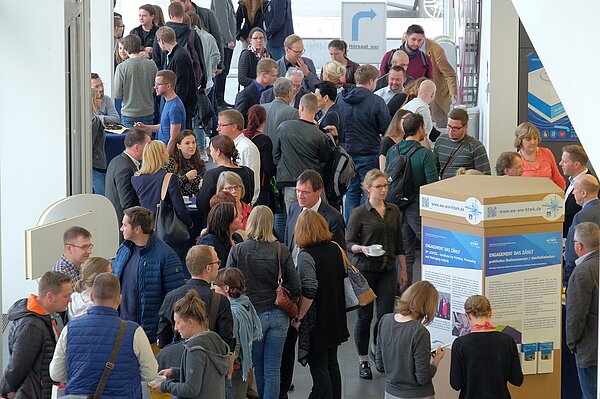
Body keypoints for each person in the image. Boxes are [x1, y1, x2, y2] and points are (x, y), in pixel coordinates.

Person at [227, 206, 301, 399]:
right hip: (279, 315)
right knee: (273, 368)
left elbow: (226, 281)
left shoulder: (238, 250)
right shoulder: (281, 249)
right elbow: (296, 286)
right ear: (270, 224)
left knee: (257, 364)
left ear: (250, 221)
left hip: (252, 316)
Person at [49, 273, 158, 397]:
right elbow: (150, 374)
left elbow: (56, 374)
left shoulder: (69, 329)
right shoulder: (134, 331)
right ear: (119, 299)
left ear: (91, 296)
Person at [346, 169, 407, 379]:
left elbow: (400, 242)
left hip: (387, 270)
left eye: (386, 186)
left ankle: (379, 353)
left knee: (385, 318)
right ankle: (363, 360)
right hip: (365, 272)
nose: (384, 190)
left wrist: (403, 269)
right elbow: (349, 243)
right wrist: (362, 249)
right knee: (364, 318)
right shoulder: (360, 213)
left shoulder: (394, 211)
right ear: (368, 188)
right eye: (379, 186)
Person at [291, 210, 349, 399]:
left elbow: (310, 290)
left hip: (318, 319)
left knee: (319, 367)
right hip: (337, 314)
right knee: (332, 363)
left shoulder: (305, 256)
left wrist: (298, 316)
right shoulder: (335, 248)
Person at [112, 206, 185, 346]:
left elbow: (177, 300)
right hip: (122, 330)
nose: (121, 229)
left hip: (149, 337)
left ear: (137, 229)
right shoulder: (124, 249)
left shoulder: (166, 256)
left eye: (124, 225)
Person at [0, 272, 72, 399]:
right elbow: (17, 366)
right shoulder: (32, 326)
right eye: (66, 296)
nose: (70, 299)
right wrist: (5, 391)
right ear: (50, 296)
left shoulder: (47, 318)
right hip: (32, 393)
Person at [386, 113, 438, 288]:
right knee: (433, 247)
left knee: (404, 252)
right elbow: (433, 186)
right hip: (418, 209)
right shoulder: (425, 154)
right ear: (421, 129)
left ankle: (403, 290)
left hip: (397, 207)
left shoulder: (393, 151)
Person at [336, 64, 391, 222]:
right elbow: (386, 128)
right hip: (369, 153)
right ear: (372, 81)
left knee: (351, 192)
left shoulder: (341, 98)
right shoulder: (376, 101)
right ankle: (365, 228)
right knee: (368, 191)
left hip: (346, 154)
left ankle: (350, 231)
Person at [151, 290, 231, 399]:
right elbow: (203, 373)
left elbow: (191, 389)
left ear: (190, 322)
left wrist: (165, 386)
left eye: (178, 322)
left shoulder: (195, 349)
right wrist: (174, 372)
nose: (175, 328)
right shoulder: (213, 339)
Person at [158, 245, 235, 353]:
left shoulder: (171, 297)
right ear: (208, 268)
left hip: (177, 360)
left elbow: (163, 335)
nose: (218, 266)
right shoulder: (220, 301)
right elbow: (226, 340)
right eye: (217, 263)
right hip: (209, 361)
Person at [375, 280, 445, 399]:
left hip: (390, 392)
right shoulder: (419, 332)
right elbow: (423, 378)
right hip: (418, 395)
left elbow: (380, 365)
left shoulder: (384, 320)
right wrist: (437, 359)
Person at [450, 295, 523, 398]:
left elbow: (456, 384)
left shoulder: (460, 343)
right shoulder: (507, 341)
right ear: (490, 312)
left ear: (468, 316)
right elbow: (517, 380)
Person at [273, 93, 333, 210]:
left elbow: (275, 155)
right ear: (316, 110)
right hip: (313, 185)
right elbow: (326, 159)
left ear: (300, 107)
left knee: (293, 219)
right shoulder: (320, 135)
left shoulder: (284, 127)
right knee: (314, 221)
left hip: (290, 183)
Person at [214, 268, 263, 399]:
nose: (214, 289)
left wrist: (228, 365)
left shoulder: (233, 312)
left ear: (226, 288)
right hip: (244, 364)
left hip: (235, 367)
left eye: (216, 286)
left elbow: (236, 344)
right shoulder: (245, 303)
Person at [566, 222, 600, 399]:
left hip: (590, 351)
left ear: (579, 246)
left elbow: (576, 315)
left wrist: (573, 343)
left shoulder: (583, 272)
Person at [131, 140, 192, 237]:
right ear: (160, 155)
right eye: (165, 151)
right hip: (165, 229)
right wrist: (190, 224)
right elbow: (179, 207)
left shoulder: (135, 178)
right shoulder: (169, 178)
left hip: (145, 227)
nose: (167, 153)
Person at [105, 127, 151, 229]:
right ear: (137, 147)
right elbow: (127, 203)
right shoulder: (126, 169)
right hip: (125, 226)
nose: (149, 149)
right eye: (147, 146)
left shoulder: (117, 160)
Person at [156, 22, 199, 130]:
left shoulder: (179, 57)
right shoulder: (176, 54)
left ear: (161, 41)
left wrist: (173, 105)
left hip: (181, 107)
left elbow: (182, 85)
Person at [197, 135, 255, 215]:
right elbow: (249, 198)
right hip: (243, 218)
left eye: (211, 150)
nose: (210, 153)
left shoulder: (211, 175)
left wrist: (201, 188)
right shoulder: (248, 172)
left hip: (219, 220)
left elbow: (202, 205)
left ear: (218, 151)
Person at [135, 70, 186, 153]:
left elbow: (174, 138)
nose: (155, 87)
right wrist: (145, 127)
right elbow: (164, 127)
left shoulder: (175, 108)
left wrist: (166, 158)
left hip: (167, 153)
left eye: (158, 84)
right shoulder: (168, 102)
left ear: (169, 86)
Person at [218, 109, 261, 205]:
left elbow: (253, 182)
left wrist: (245, 207)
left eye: (222, 125)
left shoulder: (246, 148)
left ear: (234, 126)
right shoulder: (233, 146)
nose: (218, 129)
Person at [114, 34, 158, 128]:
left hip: (129, 112)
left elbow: (117, 93)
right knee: (147, 141)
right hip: (148, 110)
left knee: (130, 141)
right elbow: (156, 87)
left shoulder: (121, 67)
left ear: (126, 48)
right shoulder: (151, 64)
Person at [434, 108, 491, 179]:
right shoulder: (440, 141)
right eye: (449, 126)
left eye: (455, 128)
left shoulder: (475, 146)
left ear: (465, 127)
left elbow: (485, 176)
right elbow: (434, 170)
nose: (451, 131)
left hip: (465, 187)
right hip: (443, 186)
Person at [564, 175, 600, 282]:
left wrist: (567, 274)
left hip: (583, 274)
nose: (573, 193)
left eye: (575, 189)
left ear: (584, 193)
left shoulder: (582, 216)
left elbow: (573, 251)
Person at [514, 122, 565, 188]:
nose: (533, 142)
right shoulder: (516, 159)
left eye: (535, 138)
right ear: (520, 141)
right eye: (528, 139)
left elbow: (557, 178)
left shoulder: (547, 152)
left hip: (548, 196)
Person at [243, 104, 275, 207]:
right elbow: (268, 167)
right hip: (261, 185)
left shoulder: (243, 136)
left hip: (244, 182)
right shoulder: (265, 140)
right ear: (265, 119)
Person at [198, 202, 244, 269]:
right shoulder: (209, 241)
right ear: (226, 221)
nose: (241, 217)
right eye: (237, 216)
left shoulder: (238, 238)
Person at [423, 37, 458, 126]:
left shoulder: (436, 50)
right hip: (419, 95)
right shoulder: (407, 49)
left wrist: (453, 93)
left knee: (439, 123)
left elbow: (449, 74)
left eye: (419, 40)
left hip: (437, 95)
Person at [560, 144, 593, 237]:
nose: (560, 163)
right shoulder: (572, 179)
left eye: (564, 161)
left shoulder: (589, 184)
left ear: (576, 164)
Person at [211, 0, 237, 110]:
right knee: (221, 72)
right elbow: (222, 20)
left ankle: (220, 99)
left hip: (225, 43)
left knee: (223, 72)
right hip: (224, 43)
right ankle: (218, 101)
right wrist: (229, 39)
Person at [165, 129, 206, 197]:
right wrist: (185, 178)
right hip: (179, 200)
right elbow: (167, 185)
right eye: (187, 143)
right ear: (178, 146)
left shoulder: (199, 161)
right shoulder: (171, 162)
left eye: (193, 142)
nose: (192, 146)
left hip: (197, 199)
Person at [401, 79, 437, 148]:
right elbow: (421, 136)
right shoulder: (423, 109)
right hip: (414, 150)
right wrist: (429, 154)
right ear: (432, 94)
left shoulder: (408, 105)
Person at [91, 86, 108, 195]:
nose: (101, 101)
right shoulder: (95, 120)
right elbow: (90, 144)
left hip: (96, 163)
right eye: (98, 98)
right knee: (102, 196)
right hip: (96, 164)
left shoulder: (92, 118)